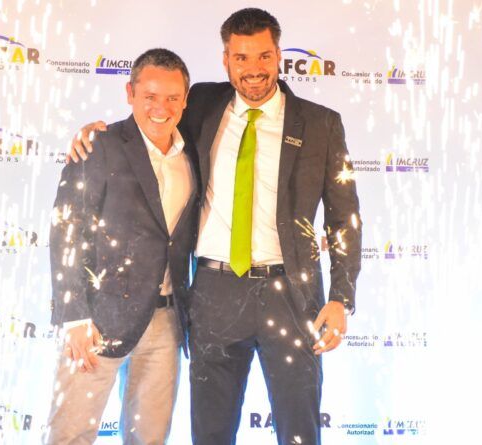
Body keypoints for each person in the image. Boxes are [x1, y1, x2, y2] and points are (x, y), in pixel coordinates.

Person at [68, 8, 362, 445]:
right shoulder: (202, 104)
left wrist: (341, 298)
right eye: (240, 58)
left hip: (291, 296)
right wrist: (98, 133)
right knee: (210, 432)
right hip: (214, 294)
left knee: (299, 431)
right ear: (225, 60)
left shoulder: (321, 124)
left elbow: (344, 217)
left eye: (263, 56)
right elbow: (152, 120)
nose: (253, 69)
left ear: (279, 56)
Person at [47, 48, 197, 445]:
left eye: (172, 97)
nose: (161, 107)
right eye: (150, 96)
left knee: (150, 438)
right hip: (98, 320)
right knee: (71, 436)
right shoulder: (99, 146)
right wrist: (74, 318)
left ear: (185, 100)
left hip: (166, 321)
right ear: (130, 93)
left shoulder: (192, 154)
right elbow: (67, 230)